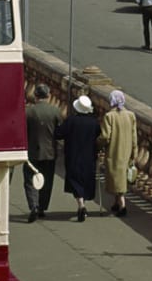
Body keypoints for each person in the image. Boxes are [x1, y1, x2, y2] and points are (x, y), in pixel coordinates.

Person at [55, 94, 101, 222]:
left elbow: (59, 134)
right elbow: (99, 136)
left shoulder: (71, 121)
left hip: (73, 154)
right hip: (89, 156)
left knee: (75, 179)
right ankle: (83, 204)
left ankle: (81, 204)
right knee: (86, 179)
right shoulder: (94, 122)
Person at [23, 85, 61, 223]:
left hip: (32, 152)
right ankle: (42, 207)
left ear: (36, 95)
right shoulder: (55, 111)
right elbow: (60, 132)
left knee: (30, 180)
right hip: (50, 152)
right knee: (46, 180)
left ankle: (33, 205)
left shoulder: (28, 112)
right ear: (48, 95)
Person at [99, 89, 138, 217]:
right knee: (120, 177)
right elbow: (134, 137)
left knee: (116, 179)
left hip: (114, 151)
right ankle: (116, 202)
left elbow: (105, 136)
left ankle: (122, 205)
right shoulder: (130, 115)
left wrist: (98, 144)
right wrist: (134, 153)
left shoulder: (109, 116)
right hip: (126, 150)